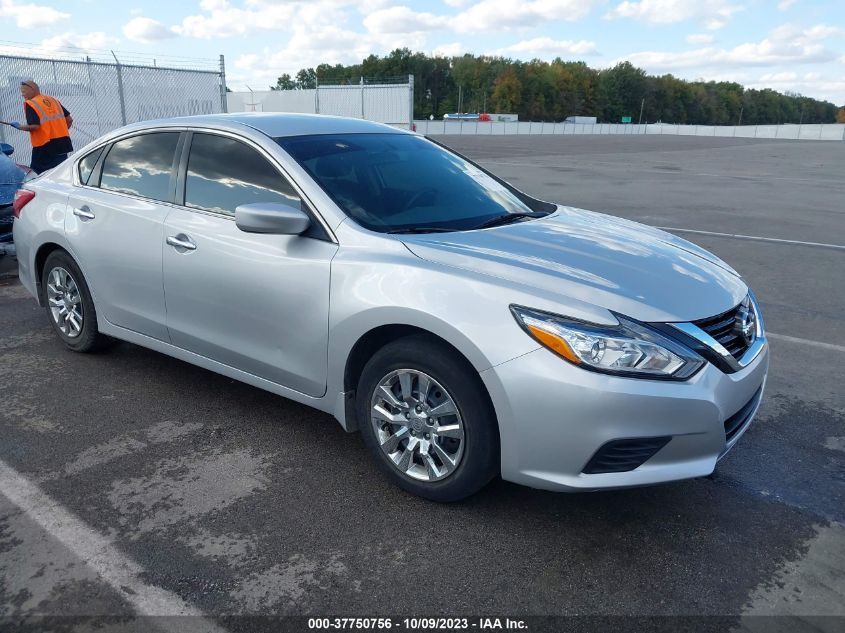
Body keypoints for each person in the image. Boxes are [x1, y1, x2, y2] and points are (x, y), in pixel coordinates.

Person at [0, 80, 73, 174]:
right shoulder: (53, 100)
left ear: (32, 89)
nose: (22, 95)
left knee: (35, 176)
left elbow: (35, 126)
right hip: (63, 144)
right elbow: (69, 120)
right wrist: (60, 132)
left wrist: (19, 126)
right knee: (59, 173)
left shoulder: (31, 103)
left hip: (45, 146)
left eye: (24, 92)